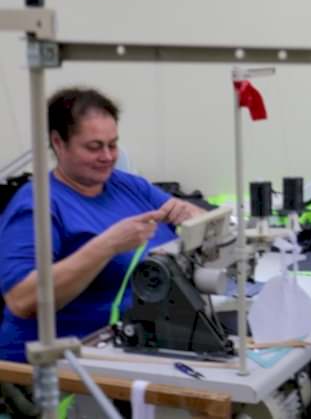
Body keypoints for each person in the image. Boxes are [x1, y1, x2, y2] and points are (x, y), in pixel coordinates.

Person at [0, 87, 204, 362]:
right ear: (58, 143)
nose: (108, 156)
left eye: (113, 145)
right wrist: (108, 245)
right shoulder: (37, 205)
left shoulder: (128, 186)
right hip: (59, 363)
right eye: (94, 147)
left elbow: (189, 216)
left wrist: (192, 215)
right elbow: (22, 299)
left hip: (135, 345)